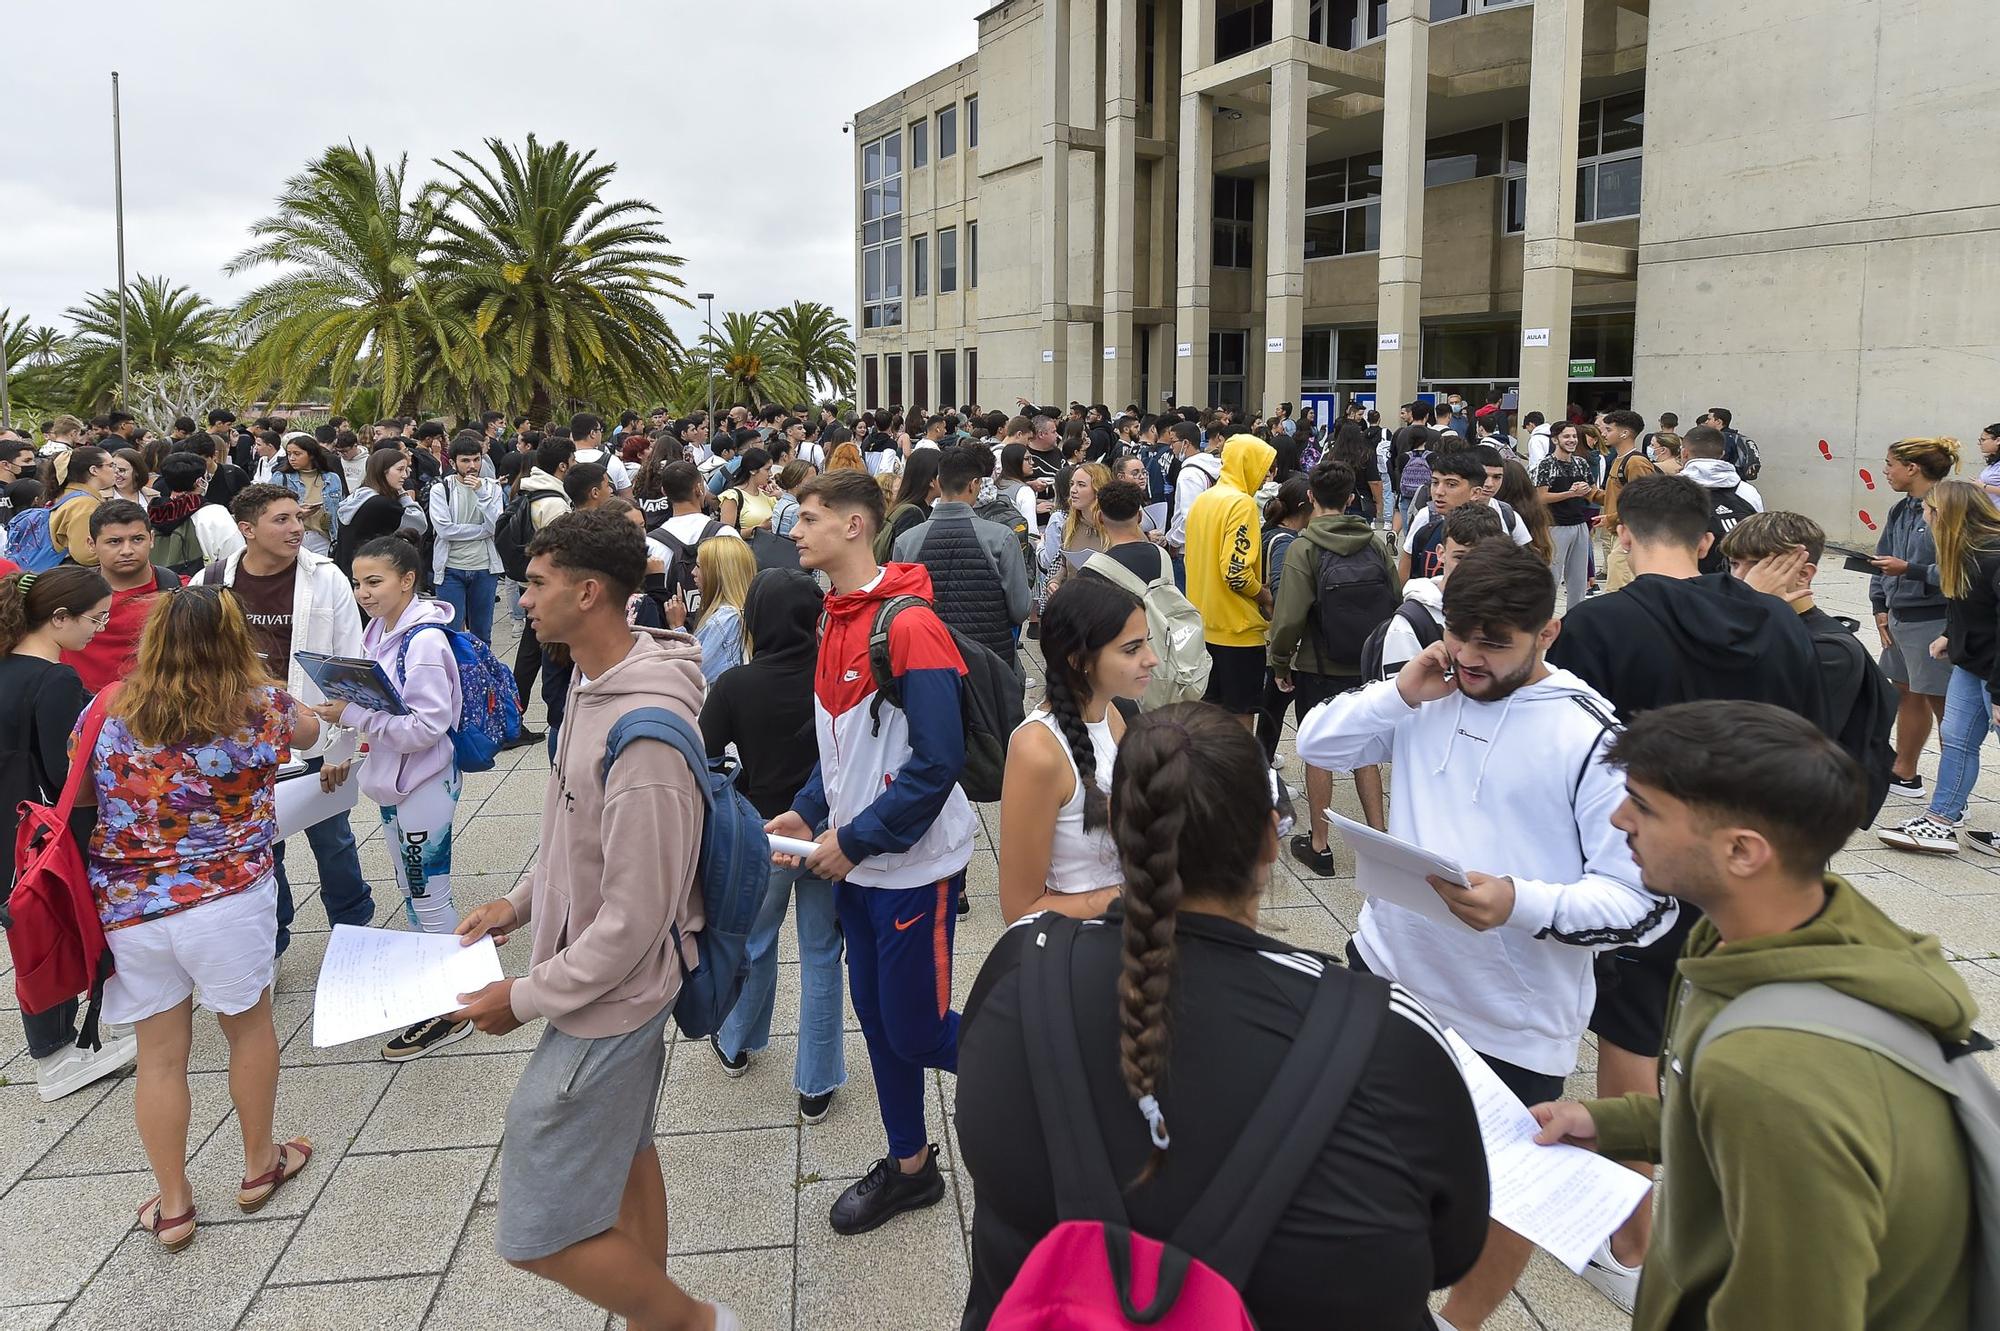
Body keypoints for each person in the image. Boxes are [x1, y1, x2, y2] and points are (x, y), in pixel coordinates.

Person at [958, 701, 1489, 1330]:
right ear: (1270, 836)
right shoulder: (1389, 1040)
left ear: (1118, 833)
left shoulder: (1019, 973)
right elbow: (1452, 1250)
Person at [1296, 538, 1676, 1329]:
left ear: (1548, 634)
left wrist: (1521, 902)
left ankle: (1456, 1320)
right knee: (1357, 1155)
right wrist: (1400, 693)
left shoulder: (1591, 736)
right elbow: (1316, 745)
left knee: (1512, 1188)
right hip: (1389, 968)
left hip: (1513, 1014)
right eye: (1458, 632)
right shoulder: (1428, 687)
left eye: (1492, 643)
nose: (1467, 656)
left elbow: (1645, 902)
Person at [1531, 701, 1979, 1331]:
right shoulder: (1755, 937)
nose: (1618, 818)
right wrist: (1610, 1121)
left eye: (1646, 807)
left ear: (1743, 851)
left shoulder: (1773, 1072)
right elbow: (1724, 1109)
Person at [1543, 470, 1831, 1305]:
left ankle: (1632, 1244)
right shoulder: (1779, 619)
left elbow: (1570, 751)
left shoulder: (1599, 622)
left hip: (1650, 858)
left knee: (1630, 1035)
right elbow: (1809, 737)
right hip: (1758, 860)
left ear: (1621, 535)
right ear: (1708, 540)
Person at [449, 511, 738, 1331]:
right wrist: (520, 900)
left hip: (610, 997)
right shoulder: (587, 674)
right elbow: (572, 828)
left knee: (534, 1230)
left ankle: (696, 1322)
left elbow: (635, 921)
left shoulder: (643, 736)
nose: (522, 598)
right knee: (628, 1152)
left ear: (588, 592)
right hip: (592, 978)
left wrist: (525, 995)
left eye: (536, 584)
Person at [79, 586, 324, 1252]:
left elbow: (78, 784)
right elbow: (312, 731)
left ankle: (177, 1204)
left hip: (130, 904)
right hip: (229, 896)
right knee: (247, 1030)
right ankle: (257, 1164)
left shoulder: (106, 708)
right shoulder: (262, 705)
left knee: (160, 1059)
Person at [763, 469, 973, 1235]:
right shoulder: (833, 617)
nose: (795, 529)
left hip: (911, 869)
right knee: (881, 1025)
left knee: (919, 1028)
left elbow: (936, 761)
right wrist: (810, 808)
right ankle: (910, 1166)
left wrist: (854, 838)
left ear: (854, 526)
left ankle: (1043, 1068)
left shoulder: (909, 625)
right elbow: (840, 740)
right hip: (853, 864)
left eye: (809, 517)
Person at [194, 486, 373, 953]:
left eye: (299, 517)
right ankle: (273, 937)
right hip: (240, 744)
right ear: (247, 529)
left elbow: (348, 660)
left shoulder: (326, 577)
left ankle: (353, 930)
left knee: (332, 839)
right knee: (261, 847)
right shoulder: (211, 581)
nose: (296, 528)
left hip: (312, 734)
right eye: (282, 519)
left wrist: (343, 746)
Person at [314, 535, 473, 1059]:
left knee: (429, 891)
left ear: (408, 579)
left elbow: (428, 726)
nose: (363, 593)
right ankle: (435, 990)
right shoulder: (381, 629)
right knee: (413, 887)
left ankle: (453, 1007)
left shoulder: (423, 641)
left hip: (423, 782)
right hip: (394, 781)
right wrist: (349, 742)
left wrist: (352, 717)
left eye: (374, 582)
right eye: (358, 583)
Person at [700, 568, 847, 1122]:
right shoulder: (834, 677)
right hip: (829, 834)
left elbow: (705, 759)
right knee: (822, 951)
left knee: (754, 943)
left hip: (764, 832)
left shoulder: (736, 684)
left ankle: (737, 1041)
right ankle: (817, 1080)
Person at [0, 566, 139, 1100]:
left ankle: (58, 1050)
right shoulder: (53, 679)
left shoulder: (9, 666)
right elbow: (70, 774)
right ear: (57, 618)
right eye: (93, 619)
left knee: (31, 932)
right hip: (47, 829)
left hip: (14, 828)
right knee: (54, 928)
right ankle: (59, 1056)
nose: (98, 631)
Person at [1723, 510, 1898, 823]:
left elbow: (1765, 727)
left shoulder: (1830, 648)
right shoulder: (1751, 621)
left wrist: (1758, 608)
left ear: (1803, 575)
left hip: (1783, 815)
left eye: (1756, 568)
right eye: (1735, 565)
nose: (1738, 579)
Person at [997, 577, 1155, 923]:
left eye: (1148, 643)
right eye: (1132, 649)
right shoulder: (1037, 749)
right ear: (1079, 659)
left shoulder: (1114, 712)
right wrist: (1139, 892)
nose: (1152, 659)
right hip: (1084, 949)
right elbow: (1019, 909)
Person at [1268, 461, 1399, 859]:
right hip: (1365, 663)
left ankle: (1320, 845)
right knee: (1366, 749)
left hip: (1317, 664)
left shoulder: (1304, 548)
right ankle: (1379, 839)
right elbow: (1395, 597)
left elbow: (1288, 616)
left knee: (1318, 750)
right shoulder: (1373, 543)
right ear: (1351, 498)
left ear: (1310, 497)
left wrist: (1279, 662)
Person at [1876, 479, 2000, 855]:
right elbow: (1965, 605)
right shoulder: (1962, 553)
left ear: (1944, 515)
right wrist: (1950, 634)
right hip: (1971, 665)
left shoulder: (1994, 557)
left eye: (1928, 511)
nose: (1924, 518)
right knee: (1958, 741)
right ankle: (1940, 821)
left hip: (1993, 671)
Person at [893, 443, 1033, 679]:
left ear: (939, 479)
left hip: (930, 666)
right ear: (974, 483)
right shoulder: (1001, 538)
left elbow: (900, 609)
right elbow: (1020, 609)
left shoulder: (907, 541)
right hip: (991, 665)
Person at [1869, 436, 1958, 802]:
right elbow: (1882, 556)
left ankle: (1953, 795)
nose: (1885, 471)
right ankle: (1904, 773)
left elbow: (1961, 570)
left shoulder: (1947, 508)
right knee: (1905, 691)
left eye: (1890, 463)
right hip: (1899, 616)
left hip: (1934, 621)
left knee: (1943, 704)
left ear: (1912, 468)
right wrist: (1880, 605)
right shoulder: (1901, 508)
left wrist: (1912, 570)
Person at [1185, 435, 1275, 732]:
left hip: (1203, 625)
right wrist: (1263, 594)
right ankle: (1238, 776)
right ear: (1247, 465)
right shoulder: (1242, 504)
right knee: (1240, 719)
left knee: (1209, 714)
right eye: (1264, 468)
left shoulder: (1204, 499)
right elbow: (1236, 572)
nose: (1266, 476)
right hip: (1237, 630)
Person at [61, 500, 181, 693]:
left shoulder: (182, 592)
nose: (127, 550)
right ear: (92, 544)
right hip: (80, 712)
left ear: (151, 539)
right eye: (114, 542)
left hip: (157, 710)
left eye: (137, 539)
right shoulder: (63, 596)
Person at [1398, 449, 1531, 580]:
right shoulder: (1426, 518)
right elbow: (1408, 564)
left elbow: (1526, 566)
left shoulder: (1506, 516)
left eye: (1451, 484)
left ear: (1475, 492)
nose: (1439, 491)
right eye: (1435, 482)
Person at [427, 436, 505, 644]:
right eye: (465, 461)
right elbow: (445, 530)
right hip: (451, 567)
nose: (472, 466)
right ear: (453, 463)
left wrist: (481, 493)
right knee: (452, 634)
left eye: (476, 460)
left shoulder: (491, 488)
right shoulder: (441, 489)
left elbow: (497, 525)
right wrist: (482, 531)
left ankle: (484, 675)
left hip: (484, 567)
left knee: (482, 635)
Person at [1677, 424, 1762, 572]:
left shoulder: (1669, 489)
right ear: (1722, 454)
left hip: (1686, 580)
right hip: (1735, 579)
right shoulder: (1746, 491)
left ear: (1684, 453)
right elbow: (1759, 534)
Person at [1533, 421, 1601, 606]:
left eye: (1573, 436)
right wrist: (1569, 493)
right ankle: (1543, 619)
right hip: (1555, 526)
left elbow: (1593, 493)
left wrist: (1587, 490)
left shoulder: (1581, 463)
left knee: (1579, 580)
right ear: (1555, 439)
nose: (1571, 440)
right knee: (1552, 576)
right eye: (1566, 436)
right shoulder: (1546, 464)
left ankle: (1575, 621)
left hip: (1580, 525)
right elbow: (1540, 497)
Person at [335, 447, 428, 573]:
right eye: (400, 469)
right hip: (371, 573)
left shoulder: (358, 495)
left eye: (406, 470)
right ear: (382, 471)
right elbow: (420, 525)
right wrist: (403, 495)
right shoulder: (381, 504)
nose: (405, 475)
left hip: (349, 570)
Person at [1597, 409, 1656, 593]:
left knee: (1618, 590)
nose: (1603, 434)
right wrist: (1589, 493)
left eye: (1608, 429)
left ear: (1625, 433)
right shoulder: (1618, 459)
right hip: (1620, 532)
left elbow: (1644, 503)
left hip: (1632, 535)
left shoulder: (1636, 462)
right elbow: (1615, 496)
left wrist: (1612, 518)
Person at [691, 533, 756, 685]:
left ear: (718, 574)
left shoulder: (725, 620)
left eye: (699, 566)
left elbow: (694, 678)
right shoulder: (748, 612)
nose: (693, 572)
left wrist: (677, 628)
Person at [1040, 460, 1110, 596]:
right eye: (1072, 484)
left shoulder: (1114, 527)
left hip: (1107, 607)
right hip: (1075, 607)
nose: (1073, 490)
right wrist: (1054, 582)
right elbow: (1064, 567)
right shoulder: (1069, 526)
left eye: (1081, 485)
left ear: (1098, 489)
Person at [1162, 420, 1219, 587]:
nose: (1170, 447)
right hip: (1206, 542)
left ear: (1186, 443)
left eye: (1173, 442)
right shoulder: (1212, 466)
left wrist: (1174, 543)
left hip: (1186, 549)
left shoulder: (1189, 474)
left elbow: (1189, 517)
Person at [275, 434, 344, 557]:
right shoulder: (281, 478)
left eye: (297, 454)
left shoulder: (332, 478)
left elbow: (340, 509)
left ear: (311, 455)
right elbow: (268, 509)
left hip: (325, 538)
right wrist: (298, 513)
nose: (292, 458)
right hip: (293, 536)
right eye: (289, 454)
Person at [46, 446, 113, 567]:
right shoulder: (84, 504)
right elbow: (85, 555)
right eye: (111, 465)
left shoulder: (66, 494)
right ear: (94, 470)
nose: (115, 470)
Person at [879, 447, 943, 559]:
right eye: (943, 475)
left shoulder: (904, 508)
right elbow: (907, 559)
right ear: (931, 481)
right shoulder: (913, 514)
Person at [717, 445, 776, 535]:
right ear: (753, 471)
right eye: (767, 469)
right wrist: (758, 529)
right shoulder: (732, 496)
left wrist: (779, 495)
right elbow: (725, 535)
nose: (770, 474)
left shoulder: (767, 495)